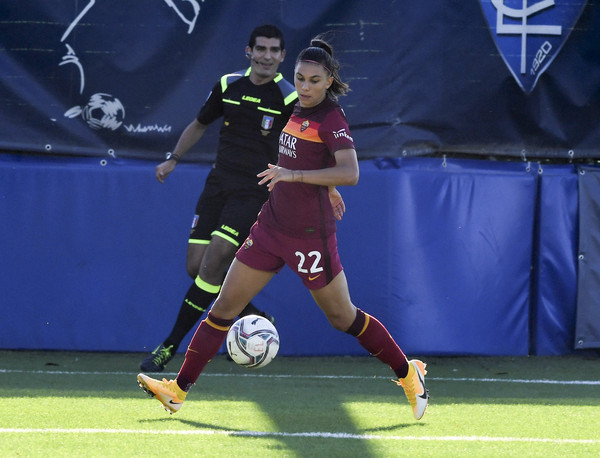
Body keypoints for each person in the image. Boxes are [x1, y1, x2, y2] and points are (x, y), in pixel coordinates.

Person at [137, 35, 429, 421]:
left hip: (310, 238)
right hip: (270, 227)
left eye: (314, 81)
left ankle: (408, 373)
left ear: (328, 81)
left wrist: (298, 177)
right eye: (300, 78)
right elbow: (306, 156)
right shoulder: (296, 109)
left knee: (343, 317)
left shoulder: (332, 118)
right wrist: (324, 186)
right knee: (223, 307)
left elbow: (351, 172)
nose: (305, 87)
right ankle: (178, 390)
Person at [139, 24, 298, 372]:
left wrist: (318, 186)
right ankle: (254, 316)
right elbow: (199, 123)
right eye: (261, 49)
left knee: (214, 261)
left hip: (254, 192)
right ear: (249, 52)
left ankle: (168, 347)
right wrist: (173, 158)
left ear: (282, 56)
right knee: (196, 267)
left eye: (274, 50)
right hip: (217, 186)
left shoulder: (288, 98)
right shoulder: (228, 85)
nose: (267, 56)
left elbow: (304, 146)